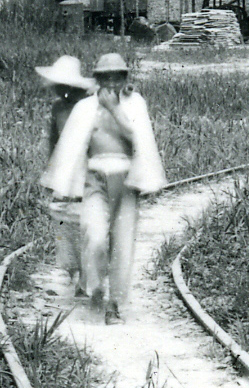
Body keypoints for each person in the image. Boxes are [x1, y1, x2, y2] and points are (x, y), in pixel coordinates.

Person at [41, 52, 167, 323]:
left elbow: (138, 137)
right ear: (97, 79)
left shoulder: (135, 103)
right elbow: (72, 148)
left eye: (117, 77)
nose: (111, 83)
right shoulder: (85, 107)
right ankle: (95, 286)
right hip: (96, 177)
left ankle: (115, 304)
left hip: (126, 179)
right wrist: (66, 182)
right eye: (105, 78)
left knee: (122, 242)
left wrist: (114, 109)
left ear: (125, 78)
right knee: (94, 234)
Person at [34, 54, 97, 298]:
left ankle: (86, 275)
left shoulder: (90, 107)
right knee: (62, 216)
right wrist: (52, 172)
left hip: (86, 166)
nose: (58, 90)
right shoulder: (58, 107)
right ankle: (70, 270)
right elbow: (54, 140)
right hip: (66, 166)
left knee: (86, 217)